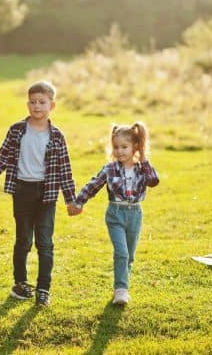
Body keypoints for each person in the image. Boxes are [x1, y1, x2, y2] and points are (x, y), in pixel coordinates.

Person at [0, 81, 77, 307]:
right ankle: (20, 284)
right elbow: (2, 159)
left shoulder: (57, 136)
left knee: (45, 243)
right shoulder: (16, 130)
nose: (37, 106)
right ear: (27, 104)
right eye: (33, 102)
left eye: (42, 102)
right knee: (23, 240)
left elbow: (64, 171)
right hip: (22, 191)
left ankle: (43, 288)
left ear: (52, 105)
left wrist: (71, 200)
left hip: (47, 194)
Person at [72, 122, 159, 305]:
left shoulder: (142, 168)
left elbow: (153, 181)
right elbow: (93, 185)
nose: (119, 151)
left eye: (124, 147)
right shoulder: (110, 169)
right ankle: (121, 290)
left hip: (135, 214)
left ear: (135, 146)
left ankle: (123, 284)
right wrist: (78, 202)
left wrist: (143, 158)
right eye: (116, 147)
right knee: (122, 252)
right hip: (115, 214)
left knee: (130, 255)